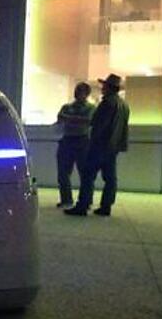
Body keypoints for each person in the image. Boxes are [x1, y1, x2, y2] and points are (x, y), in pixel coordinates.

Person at [65, 74, 130, 217]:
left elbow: (97, 123)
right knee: (110, 178)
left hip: (99, 145)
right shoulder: (124, 105)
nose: (102, 88)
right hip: (113, 147)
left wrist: (93, 141)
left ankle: (83, 205)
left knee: (88, 175)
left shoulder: (107, 103)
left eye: (104, 86)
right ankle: (106, 206)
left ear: (109, 87)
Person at [55, 81, 95, 208]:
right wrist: (77, 119)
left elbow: (88, 121)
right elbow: (60, 118)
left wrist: (70, 119)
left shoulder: (91, 108)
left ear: (87, 94)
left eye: (80, 91)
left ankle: (85, 201)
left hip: (82, 141)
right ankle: (66, 199)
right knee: (63, 172)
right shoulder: (67, 107)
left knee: (85, 173)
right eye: (76, 90)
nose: (77, 93)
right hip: (67, 140)